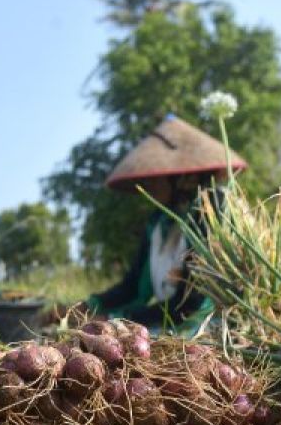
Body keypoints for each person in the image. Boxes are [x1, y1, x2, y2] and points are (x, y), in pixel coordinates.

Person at [81, 114, 246, 329]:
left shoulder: (214, 208)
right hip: (170, 321)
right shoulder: (159, 222)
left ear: (184, 178)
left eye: (155, 177)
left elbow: (191, 303)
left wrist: (117, 319)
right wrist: (91, 306)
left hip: (212, 328)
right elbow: (132, 287)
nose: (147, 184)